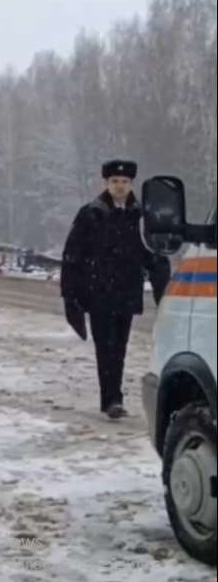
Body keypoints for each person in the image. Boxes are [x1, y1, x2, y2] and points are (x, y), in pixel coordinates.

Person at [60, 159, 169, 419]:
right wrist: (70, 295)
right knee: (105, 348)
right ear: (105, 183)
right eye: (114, 182)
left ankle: (113, 397)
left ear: (131, 184)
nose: (119, 187)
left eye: (124, 182)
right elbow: (72, 255)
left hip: (127, 293)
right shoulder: (91, 213)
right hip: (98, 293)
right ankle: (111, 400)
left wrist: (162, 288)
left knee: (119, 347)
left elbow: (152, 255)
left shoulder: (141, 217)